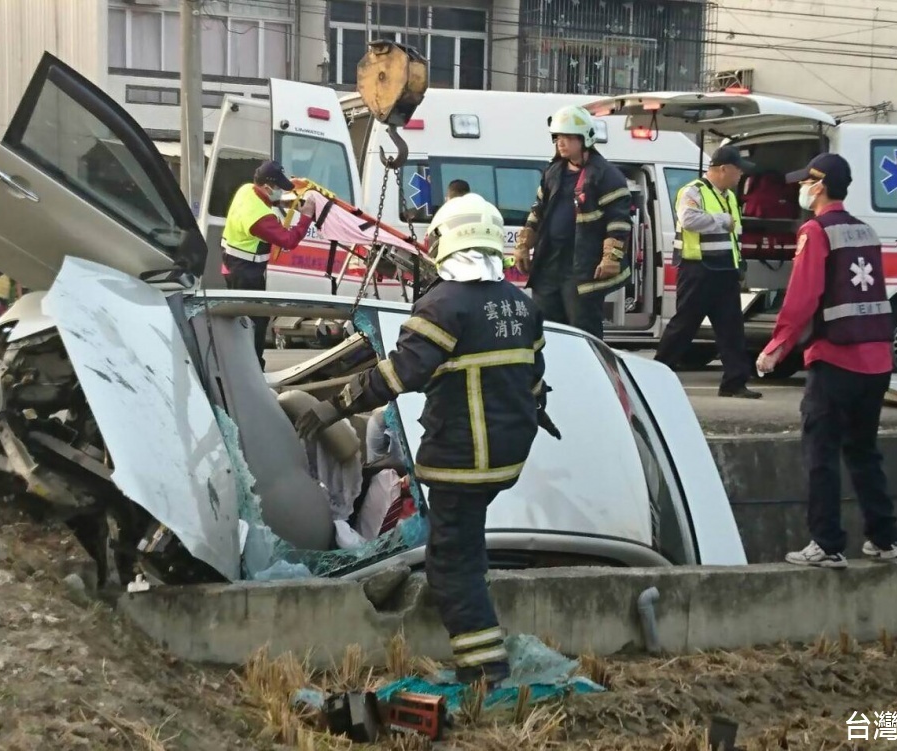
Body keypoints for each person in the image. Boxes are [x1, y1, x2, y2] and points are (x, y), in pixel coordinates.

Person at [294, 194, 560, 686]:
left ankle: (485, 668)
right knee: (464, 545)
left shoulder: (443, 305)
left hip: (464, 458)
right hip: (505, 456)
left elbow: (399, 374)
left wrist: (337, 403)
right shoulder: (522, 306)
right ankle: (465, 619)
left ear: (448, 242)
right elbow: (535, 378)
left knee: (450, 564)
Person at [756, 153, 897, 568]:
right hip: (876, 360)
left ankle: (827, 543)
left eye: (806, 182)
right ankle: (886, 538)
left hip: (836, 360)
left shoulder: (816, 231)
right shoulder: (865, 231)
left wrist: (777, 348)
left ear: (818, 187)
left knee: (821, 454)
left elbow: (803, 296)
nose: (802, 188)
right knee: (863, 451)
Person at [513, 105, 632, 341]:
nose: (561, 142)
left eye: (567, 137)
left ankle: (587, 376)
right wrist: (523, 245)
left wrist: (611, 257)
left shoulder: (607, 175)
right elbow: (537, 211)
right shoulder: (553, 171)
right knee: (547, 331)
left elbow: (618, 221)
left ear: (585, 138)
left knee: (582, 330)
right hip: (549, 264)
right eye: (557, 137)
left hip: (582, 268)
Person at [654, 146, 761, 399]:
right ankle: (655, 376)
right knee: (684, 326)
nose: (740, 177)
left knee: (731, 328)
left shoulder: (729, 196)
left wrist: (739, 265)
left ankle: (734, 382)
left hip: (725, 270)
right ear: (723, 169)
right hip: (698, 270)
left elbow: (733, 238)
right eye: (738, 171)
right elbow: (690, 220)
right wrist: (722, 220)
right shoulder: (693, 191)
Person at [221, 160, 317, 368]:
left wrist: (284, 203)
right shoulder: (260, 218)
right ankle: (252, 367)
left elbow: (267, 201)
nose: (280, 193)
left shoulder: (246, 190)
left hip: (232, 265)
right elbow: (288, 241)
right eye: (278, 189)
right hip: (246, 273)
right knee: (254, 323)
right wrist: (306, 217)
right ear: (266, 186)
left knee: (242, 322)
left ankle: (244, 364)